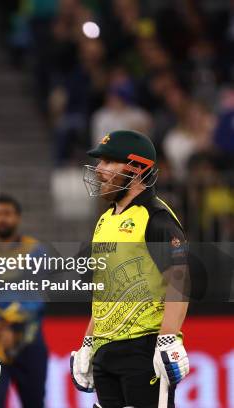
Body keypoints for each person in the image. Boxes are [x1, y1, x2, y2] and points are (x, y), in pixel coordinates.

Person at [71, 130, 190, 407]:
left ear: (136, 169)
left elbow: (180, 283)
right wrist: (88, 342)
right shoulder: (104, 221)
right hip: (105, 349)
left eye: (108, 162)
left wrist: (167, 339)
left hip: (143, 348)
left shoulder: (155, 217)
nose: (99, 170)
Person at [0, 194, 48, 408]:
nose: (2, 219)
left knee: (34, 403)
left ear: (18, 218)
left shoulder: (35, 251)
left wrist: (8, 324)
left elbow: (40, 295)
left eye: (7, 214)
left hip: (29, 341)